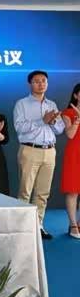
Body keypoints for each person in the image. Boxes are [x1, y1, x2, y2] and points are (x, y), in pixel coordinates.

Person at [14, 70, 64, 240]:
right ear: (30, 84)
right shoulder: (22, 104)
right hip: (30, 150)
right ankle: (21, 228)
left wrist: (53, 121)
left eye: (44, 81)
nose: (41, 84)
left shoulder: (52, 104)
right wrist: (42, 121)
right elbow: (19, 127)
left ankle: (38, 226)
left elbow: (59, 129)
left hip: (49, 151)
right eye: (37, 81)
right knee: (25, 191)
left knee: (43, 193)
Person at [59, 83, 80, 239]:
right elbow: (70, 135)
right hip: (74, 154)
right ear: (75, 95)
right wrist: (78, 119)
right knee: (73, 190)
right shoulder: (68, 113)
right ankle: (73, 225)